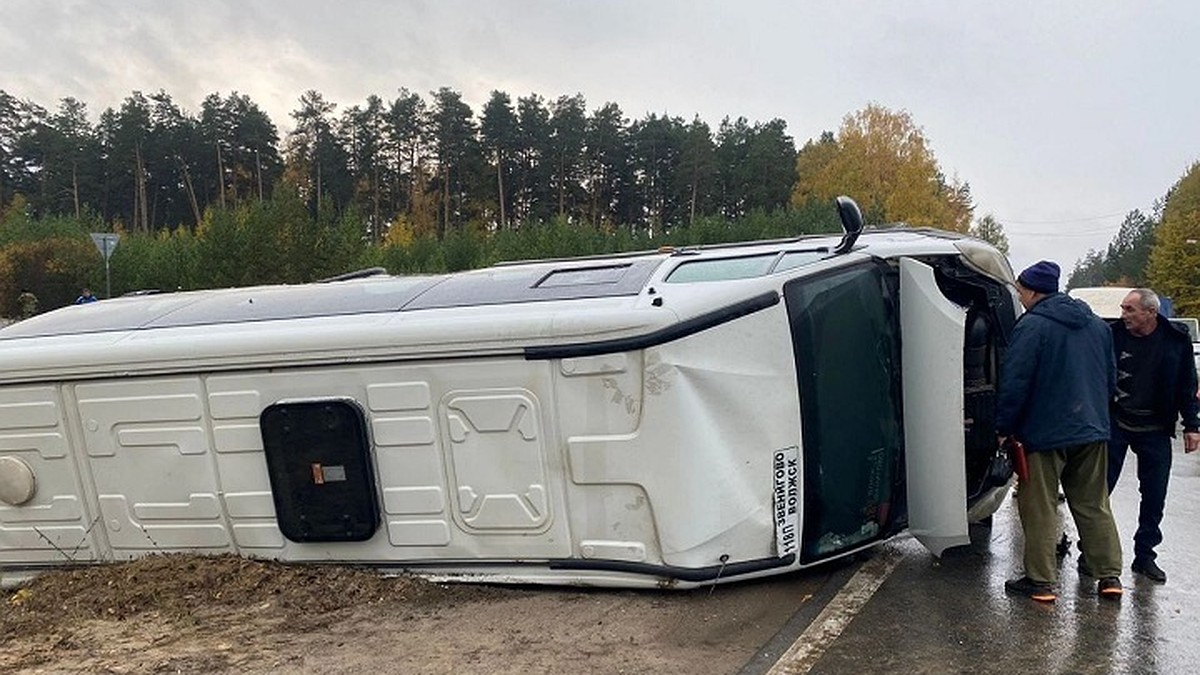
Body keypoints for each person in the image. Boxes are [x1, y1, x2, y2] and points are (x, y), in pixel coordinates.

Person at [996, 260, 1123, 602]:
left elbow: (1016, 381)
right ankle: (1109, 576)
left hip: (1044, 433)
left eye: (1021, 291)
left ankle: (1041, 583)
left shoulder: (1032, 327)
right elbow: (1110, 379)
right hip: (1092, 430)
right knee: (1094, 503)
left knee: (1039, 506)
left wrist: (1004, 427)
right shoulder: (1097, 326)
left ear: (1035, 292)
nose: (1020, 297)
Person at [1104, 288, 1200, 584]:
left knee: (1154, 495)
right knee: (1097, 491)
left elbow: (1187, 383)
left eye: (1130, 310)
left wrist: (1193, 426)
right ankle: (1092, 551)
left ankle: (1145, 556)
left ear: (1150, 312)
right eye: (1122, 309)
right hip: (1116, 424)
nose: (1124, 316)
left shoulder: (1175, 339)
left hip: (1156, 428)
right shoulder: (1111, 334)